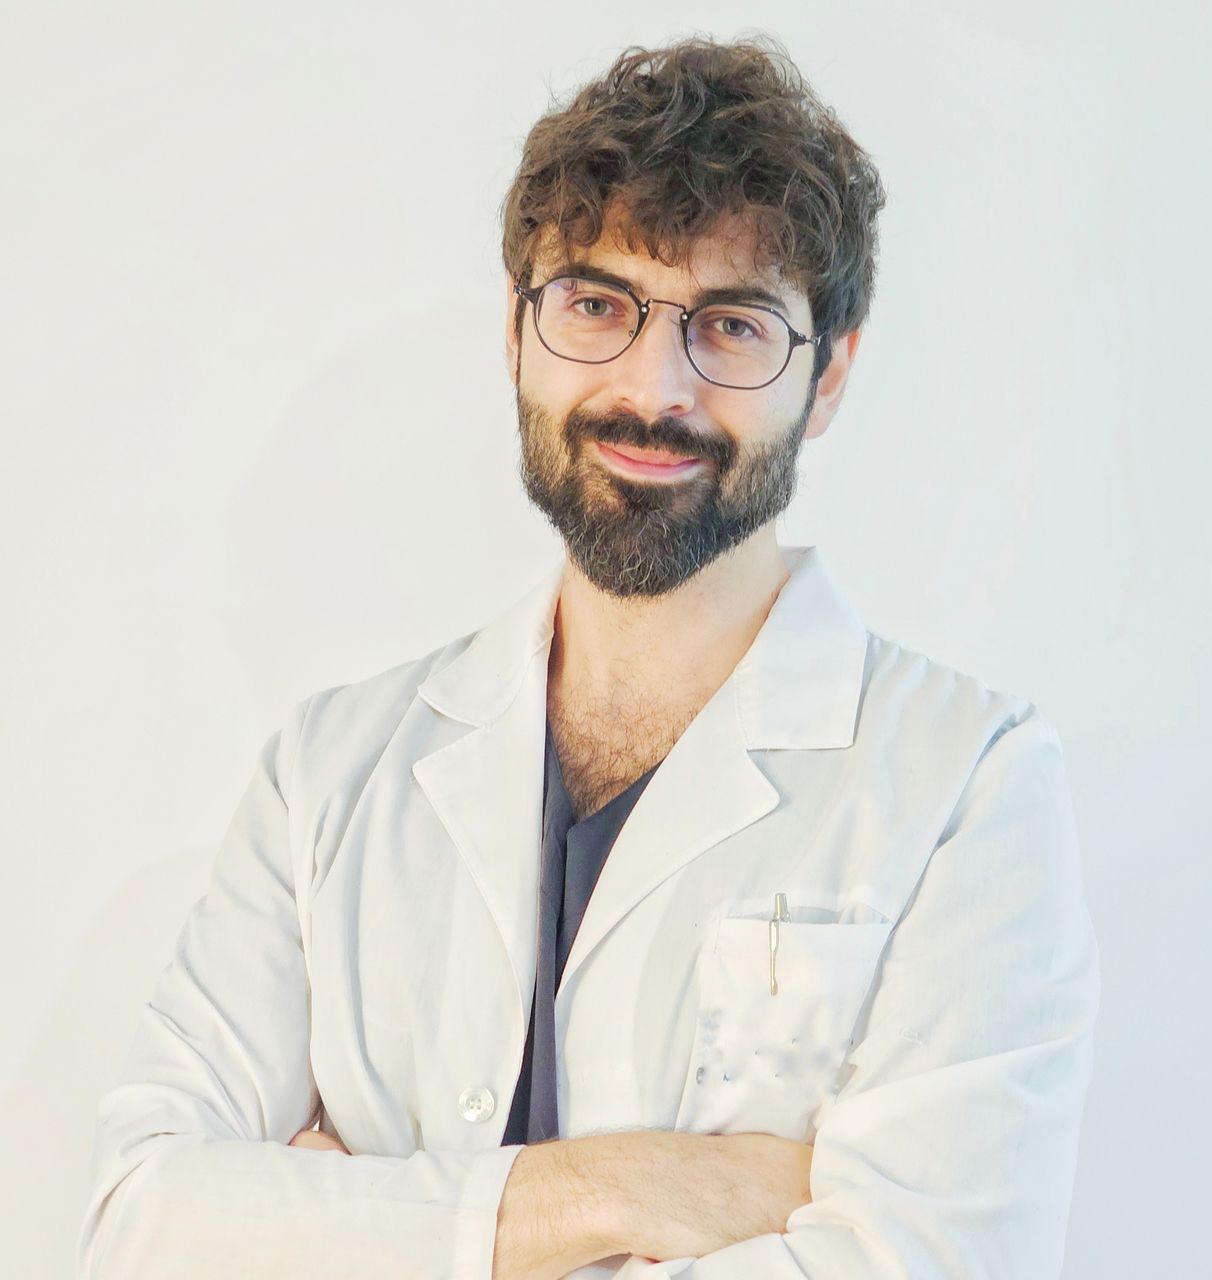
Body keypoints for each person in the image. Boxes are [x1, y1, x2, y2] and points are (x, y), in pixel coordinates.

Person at [77, 34, 1100, 1280]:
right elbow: (138, 1225)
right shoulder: (326, 771)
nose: (652, 389)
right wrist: (619, 1191)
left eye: (732, 324)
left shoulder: (967, 784)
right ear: (516, 331)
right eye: (597, 304)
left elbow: (936, 1262)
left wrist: (348, 1223)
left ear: (828, 374)